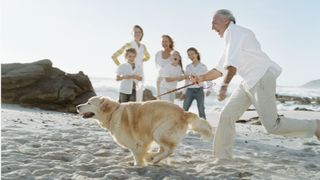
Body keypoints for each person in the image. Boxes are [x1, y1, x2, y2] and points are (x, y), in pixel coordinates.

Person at [192, 9, 320, 162]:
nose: (212, 28)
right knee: (226, 115)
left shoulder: (234, 31)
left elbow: (231, 67)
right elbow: (219, 69)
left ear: (227, 20)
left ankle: (316, 126)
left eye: (214, 23)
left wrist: (224, 86)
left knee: (273, 126)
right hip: (248, 80)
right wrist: (201, 77)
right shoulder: (230, 40)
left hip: (260, 76)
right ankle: (222, 157)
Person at [112, 25, 150, 102]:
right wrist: (121, 67)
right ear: (132, 33)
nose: (137, 34)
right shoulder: (128, 45)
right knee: (126, 97)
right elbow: (114, 56)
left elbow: (148, 57)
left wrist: (141, 61)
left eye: (139, 32)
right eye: (135, 32)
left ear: (142, 34)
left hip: (139, 73)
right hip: (128, 74)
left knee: (138, 98)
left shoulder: (143, 46)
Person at [181, 47, 213, 119]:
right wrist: (183, 93)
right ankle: (181, 125)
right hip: (189, 90)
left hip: (199, 90)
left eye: (192, 54)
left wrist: (209, 89)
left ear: (197, 54)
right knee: (184, 109)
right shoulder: (188, 67)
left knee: (201, 109)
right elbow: (186, 80)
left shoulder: (203, 66)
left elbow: (208, 77)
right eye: (189, 55)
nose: (190, 56)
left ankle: (204, 126)